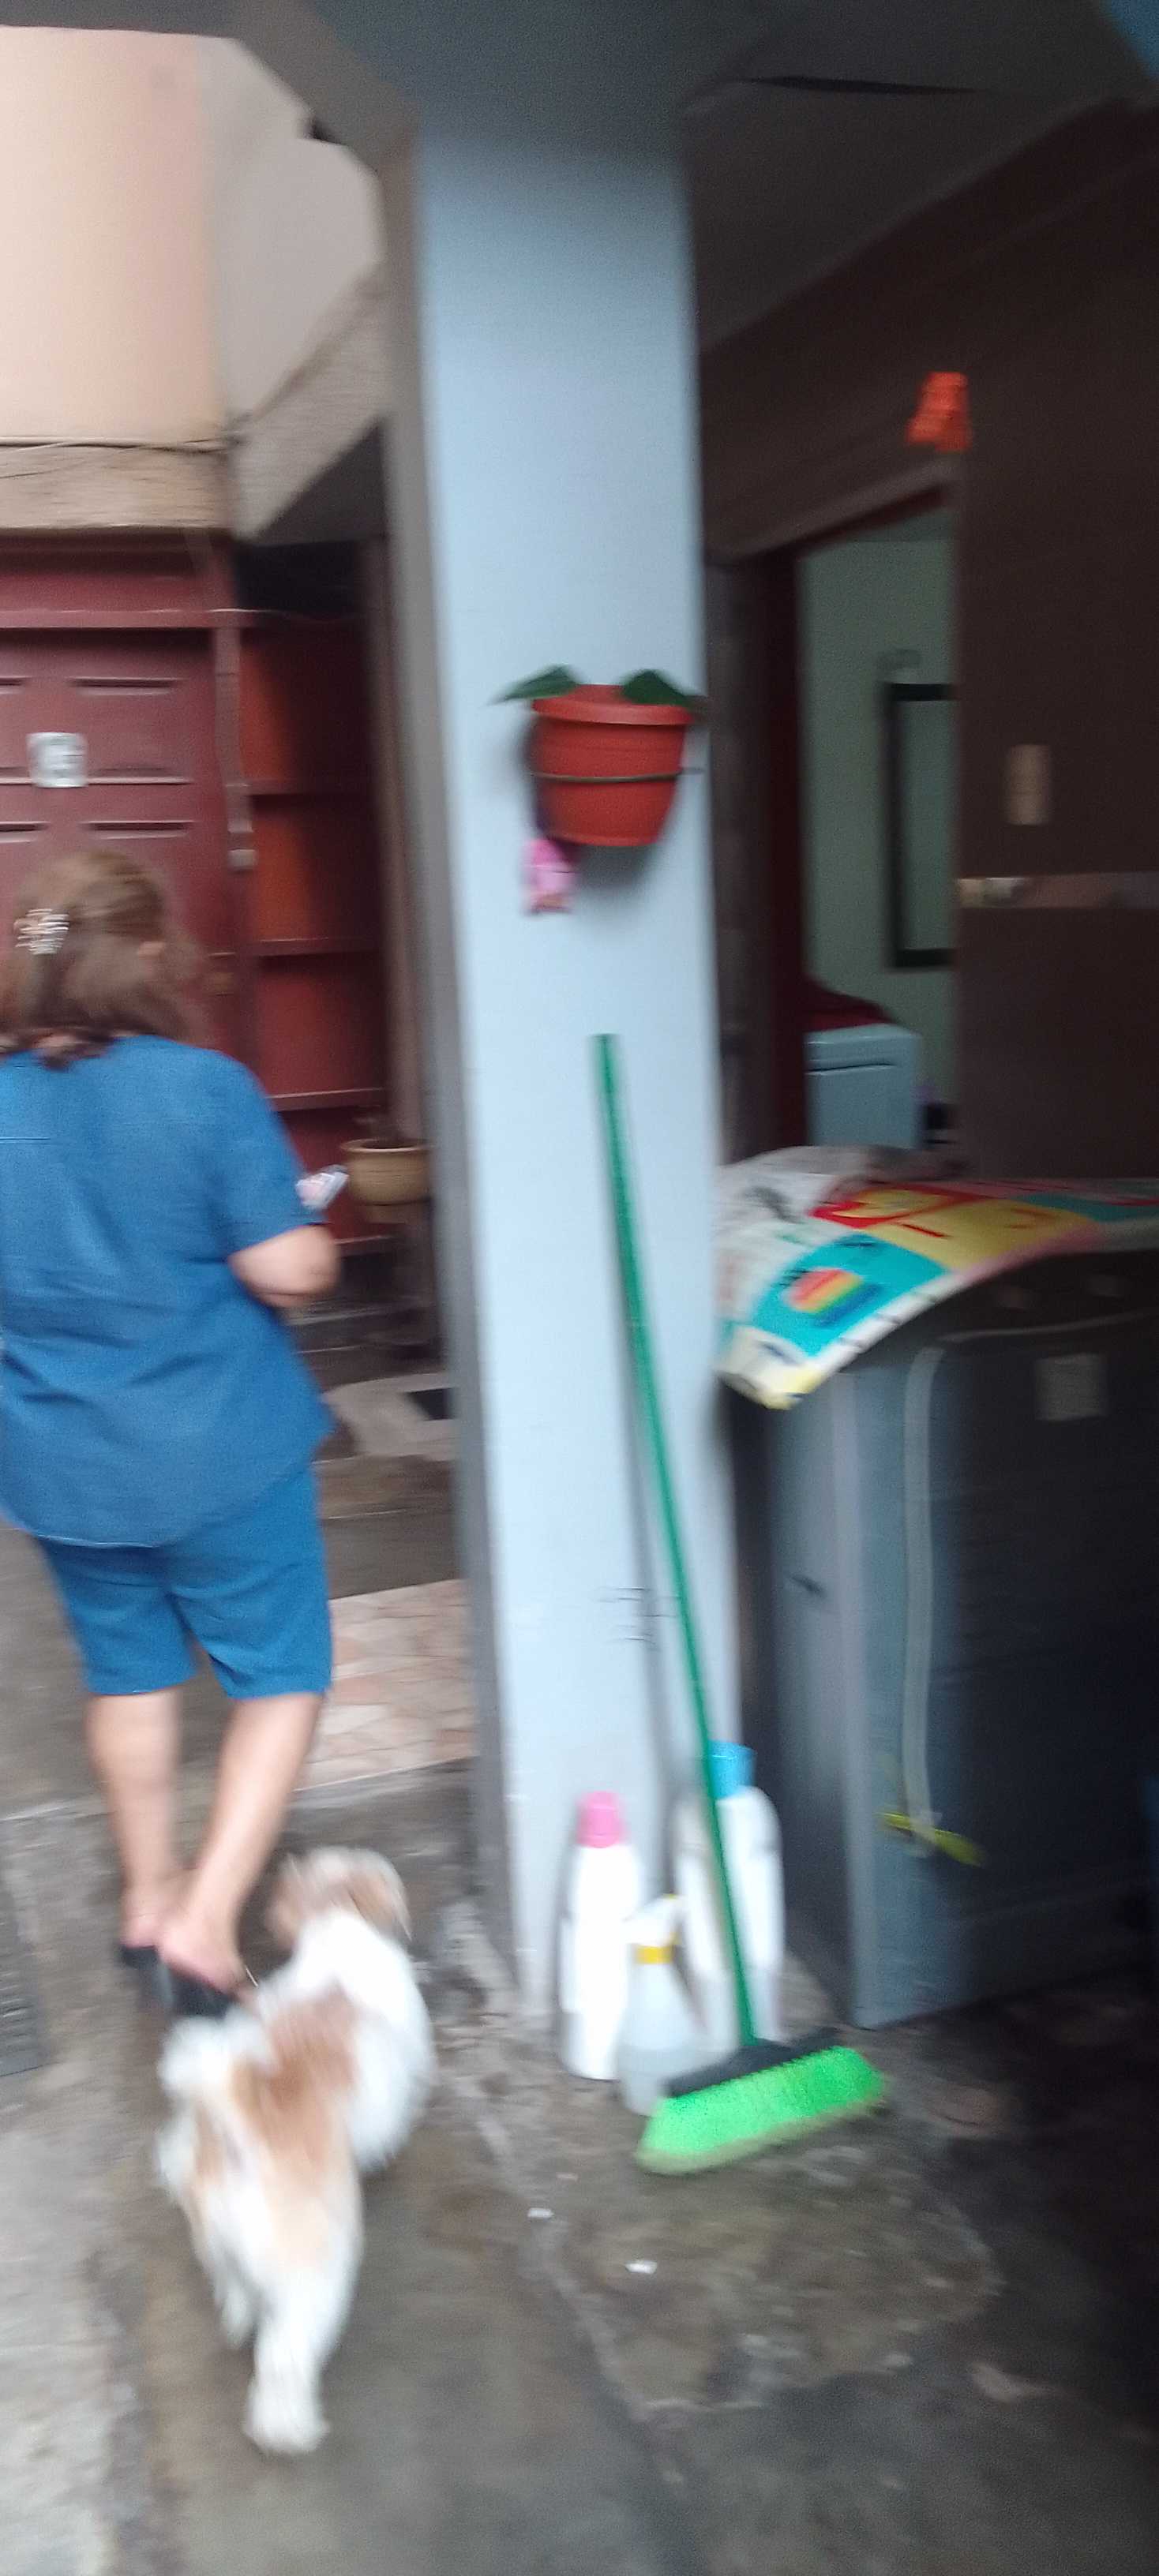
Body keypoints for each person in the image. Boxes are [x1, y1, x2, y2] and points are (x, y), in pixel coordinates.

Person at [0, 848, 339, 2015]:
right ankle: (203, 1924)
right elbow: (285, 1270)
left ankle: (147, 1900)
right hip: (218, 1452)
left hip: (61, 1465)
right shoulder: (204, 1091)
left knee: (130, 1676)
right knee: (281, 1677)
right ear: (148, 956)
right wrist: (309, 1236)